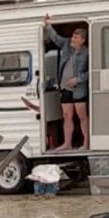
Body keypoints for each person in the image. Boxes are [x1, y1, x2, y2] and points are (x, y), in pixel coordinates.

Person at [44, 13, 90, 151]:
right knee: (66, 115)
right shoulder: (66, 45)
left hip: (79, 88)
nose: (72, 39)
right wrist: (48, 25)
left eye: (76, 37)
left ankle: (86, 143)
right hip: (65, 88)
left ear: (82, 40)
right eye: (73, 36)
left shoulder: (86, 52)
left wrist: (78, 79)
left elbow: (91, 71)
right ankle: (67, 143)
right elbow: (55, 37)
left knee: (82, 116)